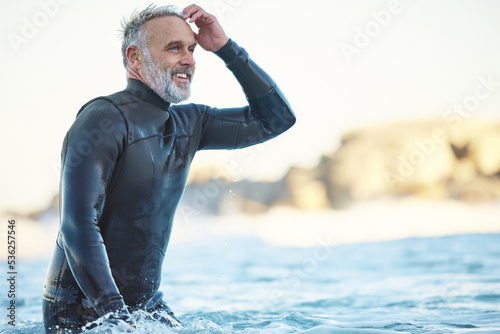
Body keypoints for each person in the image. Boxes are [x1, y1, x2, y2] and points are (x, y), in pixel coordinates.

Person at [42, 3, 295, 333]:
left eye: (191, 48)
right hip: (79, 310)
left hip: (146, 305)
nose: (189, 59)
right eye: (174, 47)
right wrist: (115, 316)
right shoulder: (102, 120)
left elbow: (277, 119)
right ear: (134, 57)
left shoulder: (192, 123)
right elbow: (77, 225)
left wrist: (225, 48)